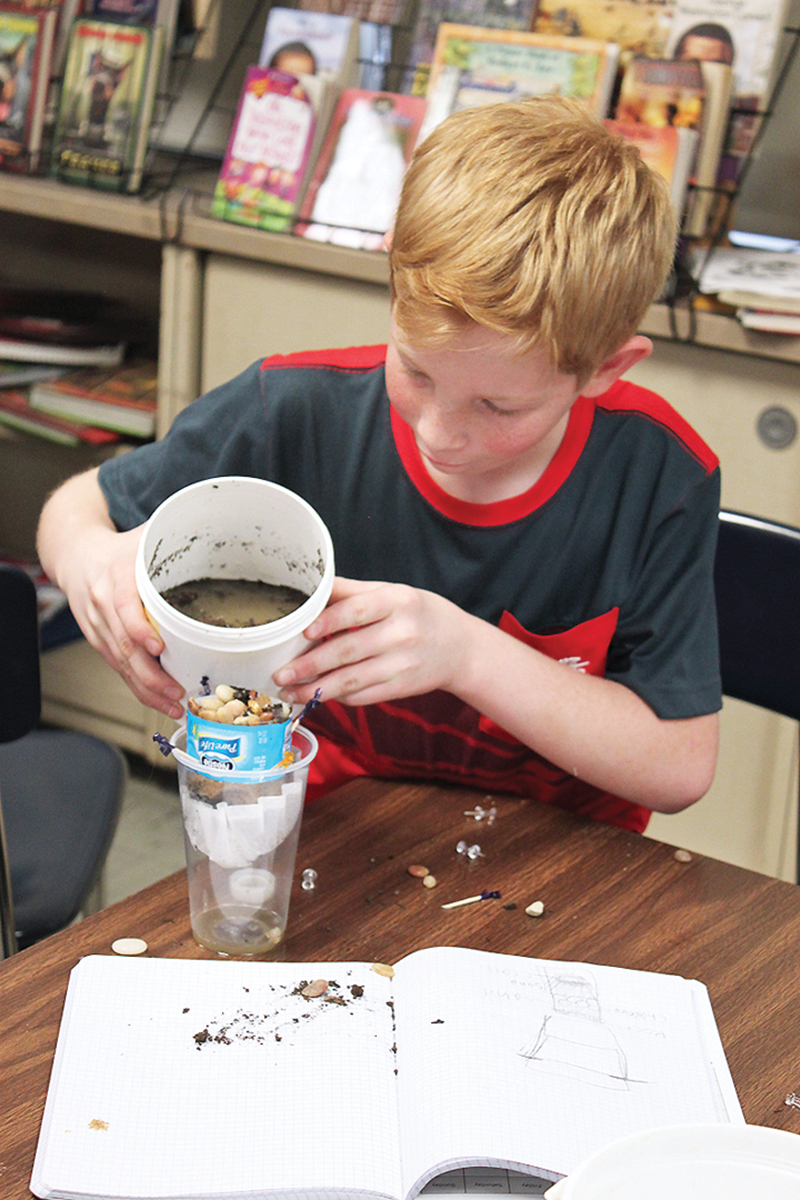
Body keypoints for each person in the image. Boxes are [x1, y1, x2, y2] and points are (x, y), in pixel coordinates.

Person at [37, 96, 721, 833]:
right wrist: (92, 566)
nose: (440, 432)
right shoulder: (292, 409)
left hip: (566, 860)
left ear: (605, 369)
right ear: (392, 272)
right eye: (418, 373)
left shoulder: (659, 472)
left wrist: (465, 653)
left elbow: (679, 766)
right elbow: (74, 509)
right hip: (325, 828)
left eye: (498, 408)